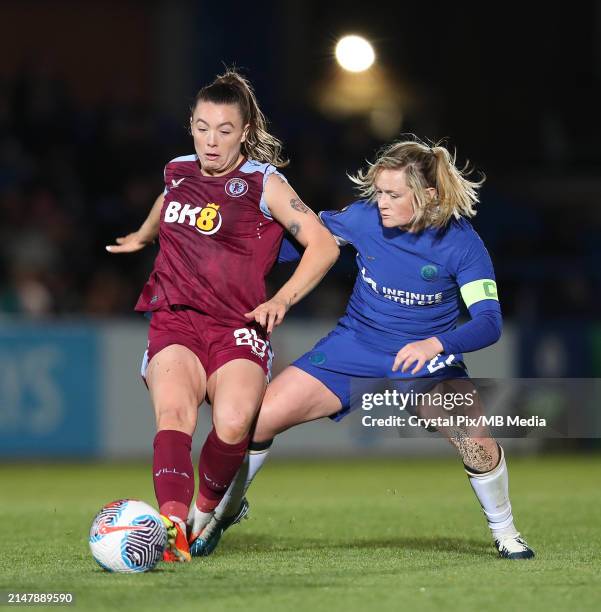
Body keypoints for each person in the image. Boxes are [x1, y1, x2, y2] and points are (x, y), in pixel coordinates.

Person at [194, 137, 535, 560]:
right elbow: (293, 244)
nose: (382, 202)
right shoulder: (363, 218)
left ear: (428, 195)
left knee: (476, 442)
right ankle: (223, 514)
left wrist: (436, 343)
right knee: (255, 421)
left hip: (427, 360)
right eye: (378, 191)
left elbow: (489, 322)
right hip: (355, 346)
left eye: (393, 194)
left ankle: (506, 533)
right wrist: (228, 252)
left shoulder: (463, 245)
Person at [106, 70, 339, 562]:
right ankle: (172, 527)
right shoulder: (177, 170)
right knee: (174, 415)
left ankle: (205, 514)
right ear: (190, 125)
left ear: (245, 132)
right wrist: (145, 235)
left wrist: (283, 299)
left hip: (239, 325)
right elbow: (167, 199)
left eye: (225, 130)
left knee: (234, 423)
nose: (211, 141)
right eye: (202, 127)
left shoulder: (264, 184)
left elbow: (322, 244)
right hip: (176, 319)